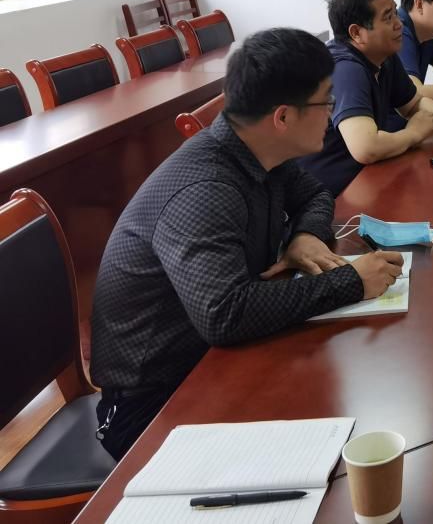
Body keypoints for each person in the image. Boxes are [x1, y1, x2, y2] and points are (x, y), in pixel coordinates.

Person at [90, 28, 405, 460]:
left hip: (216, 361)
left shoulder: (257, 149)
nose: (332, 113)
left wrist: (305, 235)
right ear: (283, 117)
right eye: (326, 102)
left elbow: (315, 194)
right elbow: (225, 314)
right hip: (153, 405)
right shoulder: (206, 189)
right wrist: (351, 281)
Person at [300, 0, 433, 196]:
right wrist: (413, 134)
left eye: (395, 14)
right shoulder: (346, 69)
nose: (399, 24)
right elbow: (366, 148)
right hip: (333, 197)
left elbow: (413, 103)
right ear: (356, 33)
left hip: (369, 178)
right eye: (388, 18)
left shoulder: (384, 56)